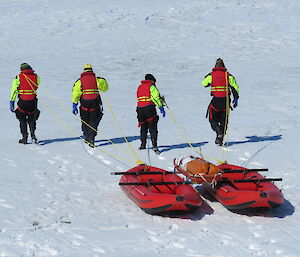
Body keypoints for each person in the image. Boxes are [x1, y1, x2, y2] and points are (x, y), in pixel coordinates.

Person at [202, 58, 239, 146]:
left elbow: (204, 83)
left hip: (216, 101)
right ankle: (220, 137)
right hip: (226, 101)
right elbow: (235, 87)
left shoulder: (211, 76)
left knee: (212, 119)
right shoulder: (228, 76)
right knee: (224, 120)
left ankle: (218, 131)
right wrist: (236, 98)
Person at [72, 64, 109, 147]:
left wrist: (74, 103)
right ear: (92, 70)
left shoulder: (79, 81)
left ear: (84, 70)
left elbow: (75, 92)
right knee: (93, 120)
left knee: (84, 119)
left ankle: (86, 135)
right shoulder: (97, 79)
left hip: (84, 102)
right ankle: (92, 138)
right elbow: (105, 88)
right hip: (95, 102)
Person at [9, 63, 40, 144]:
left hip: (23, 101)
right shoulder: (36, 77)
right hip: (33, 101)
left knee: (22, 119)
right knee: (32, 118)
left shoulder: (18, 77)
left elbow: (14, 90)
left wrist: (12, 101)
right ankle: (33, 136)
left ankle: (24, 138)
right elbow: (38, 84)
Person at [136, 74, 165, 154]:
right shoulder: (151, 86)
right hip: (149, 108)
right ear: (152, 80)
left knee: (143, 127)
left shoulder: (140, 87)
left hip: (139, 109)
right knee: (153, 127)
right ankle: (154, 146)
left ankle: (143, 145)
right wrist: (161, 107)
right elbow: (155, 98)